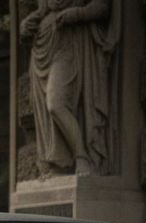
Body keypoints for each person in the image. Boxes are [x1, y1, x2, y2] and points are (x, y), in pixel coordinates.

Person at [21, 0, 120, 176]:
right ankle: (60, 164)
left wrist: (77, 14)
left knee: (55, 104)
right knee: (46, 112)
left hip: (69, 44)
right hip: (42, 48)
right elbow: (42, 10)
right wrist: (28, 24)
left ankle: (82, 156)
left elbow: (103, 7)